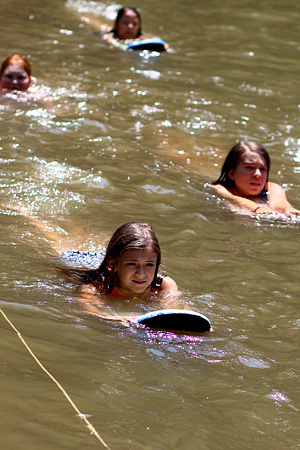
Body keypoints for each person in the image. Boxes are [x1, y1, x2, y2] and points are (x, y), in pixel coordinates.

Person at [11, 207, 179, 323]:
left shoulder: (163, 285)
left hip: (107, 259)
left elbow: (173, 308)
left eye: (149, 264)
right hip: (82, 261)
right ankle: (30, 217)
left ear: (157, 264)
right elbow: (89, 309)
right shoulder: (96, 286)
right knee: (56, 242)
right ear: (114, 264)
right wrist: (116, 318)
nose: (141, 273)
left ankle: (72, 225)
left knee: (79, 235)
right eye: (132, 264)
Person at [211, 141, 300, 216]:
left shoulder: (272, 188)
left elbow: (279, 202)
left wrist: (288, 209)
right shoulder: (220, 188)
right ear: (232, 174)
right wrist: (257, 208)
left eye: (262, 169)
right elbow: (235, 200)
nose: (258, 174)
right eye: (249, 167)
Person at [82, 5, 169, 50]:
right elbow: (113, 42)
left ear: (139, 27)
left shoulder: (140, 37)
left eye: (134, 24)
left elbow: (155, 43)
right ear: (116, 24)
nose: (130, 27)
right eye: (125, 23)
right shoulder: (109, 36)